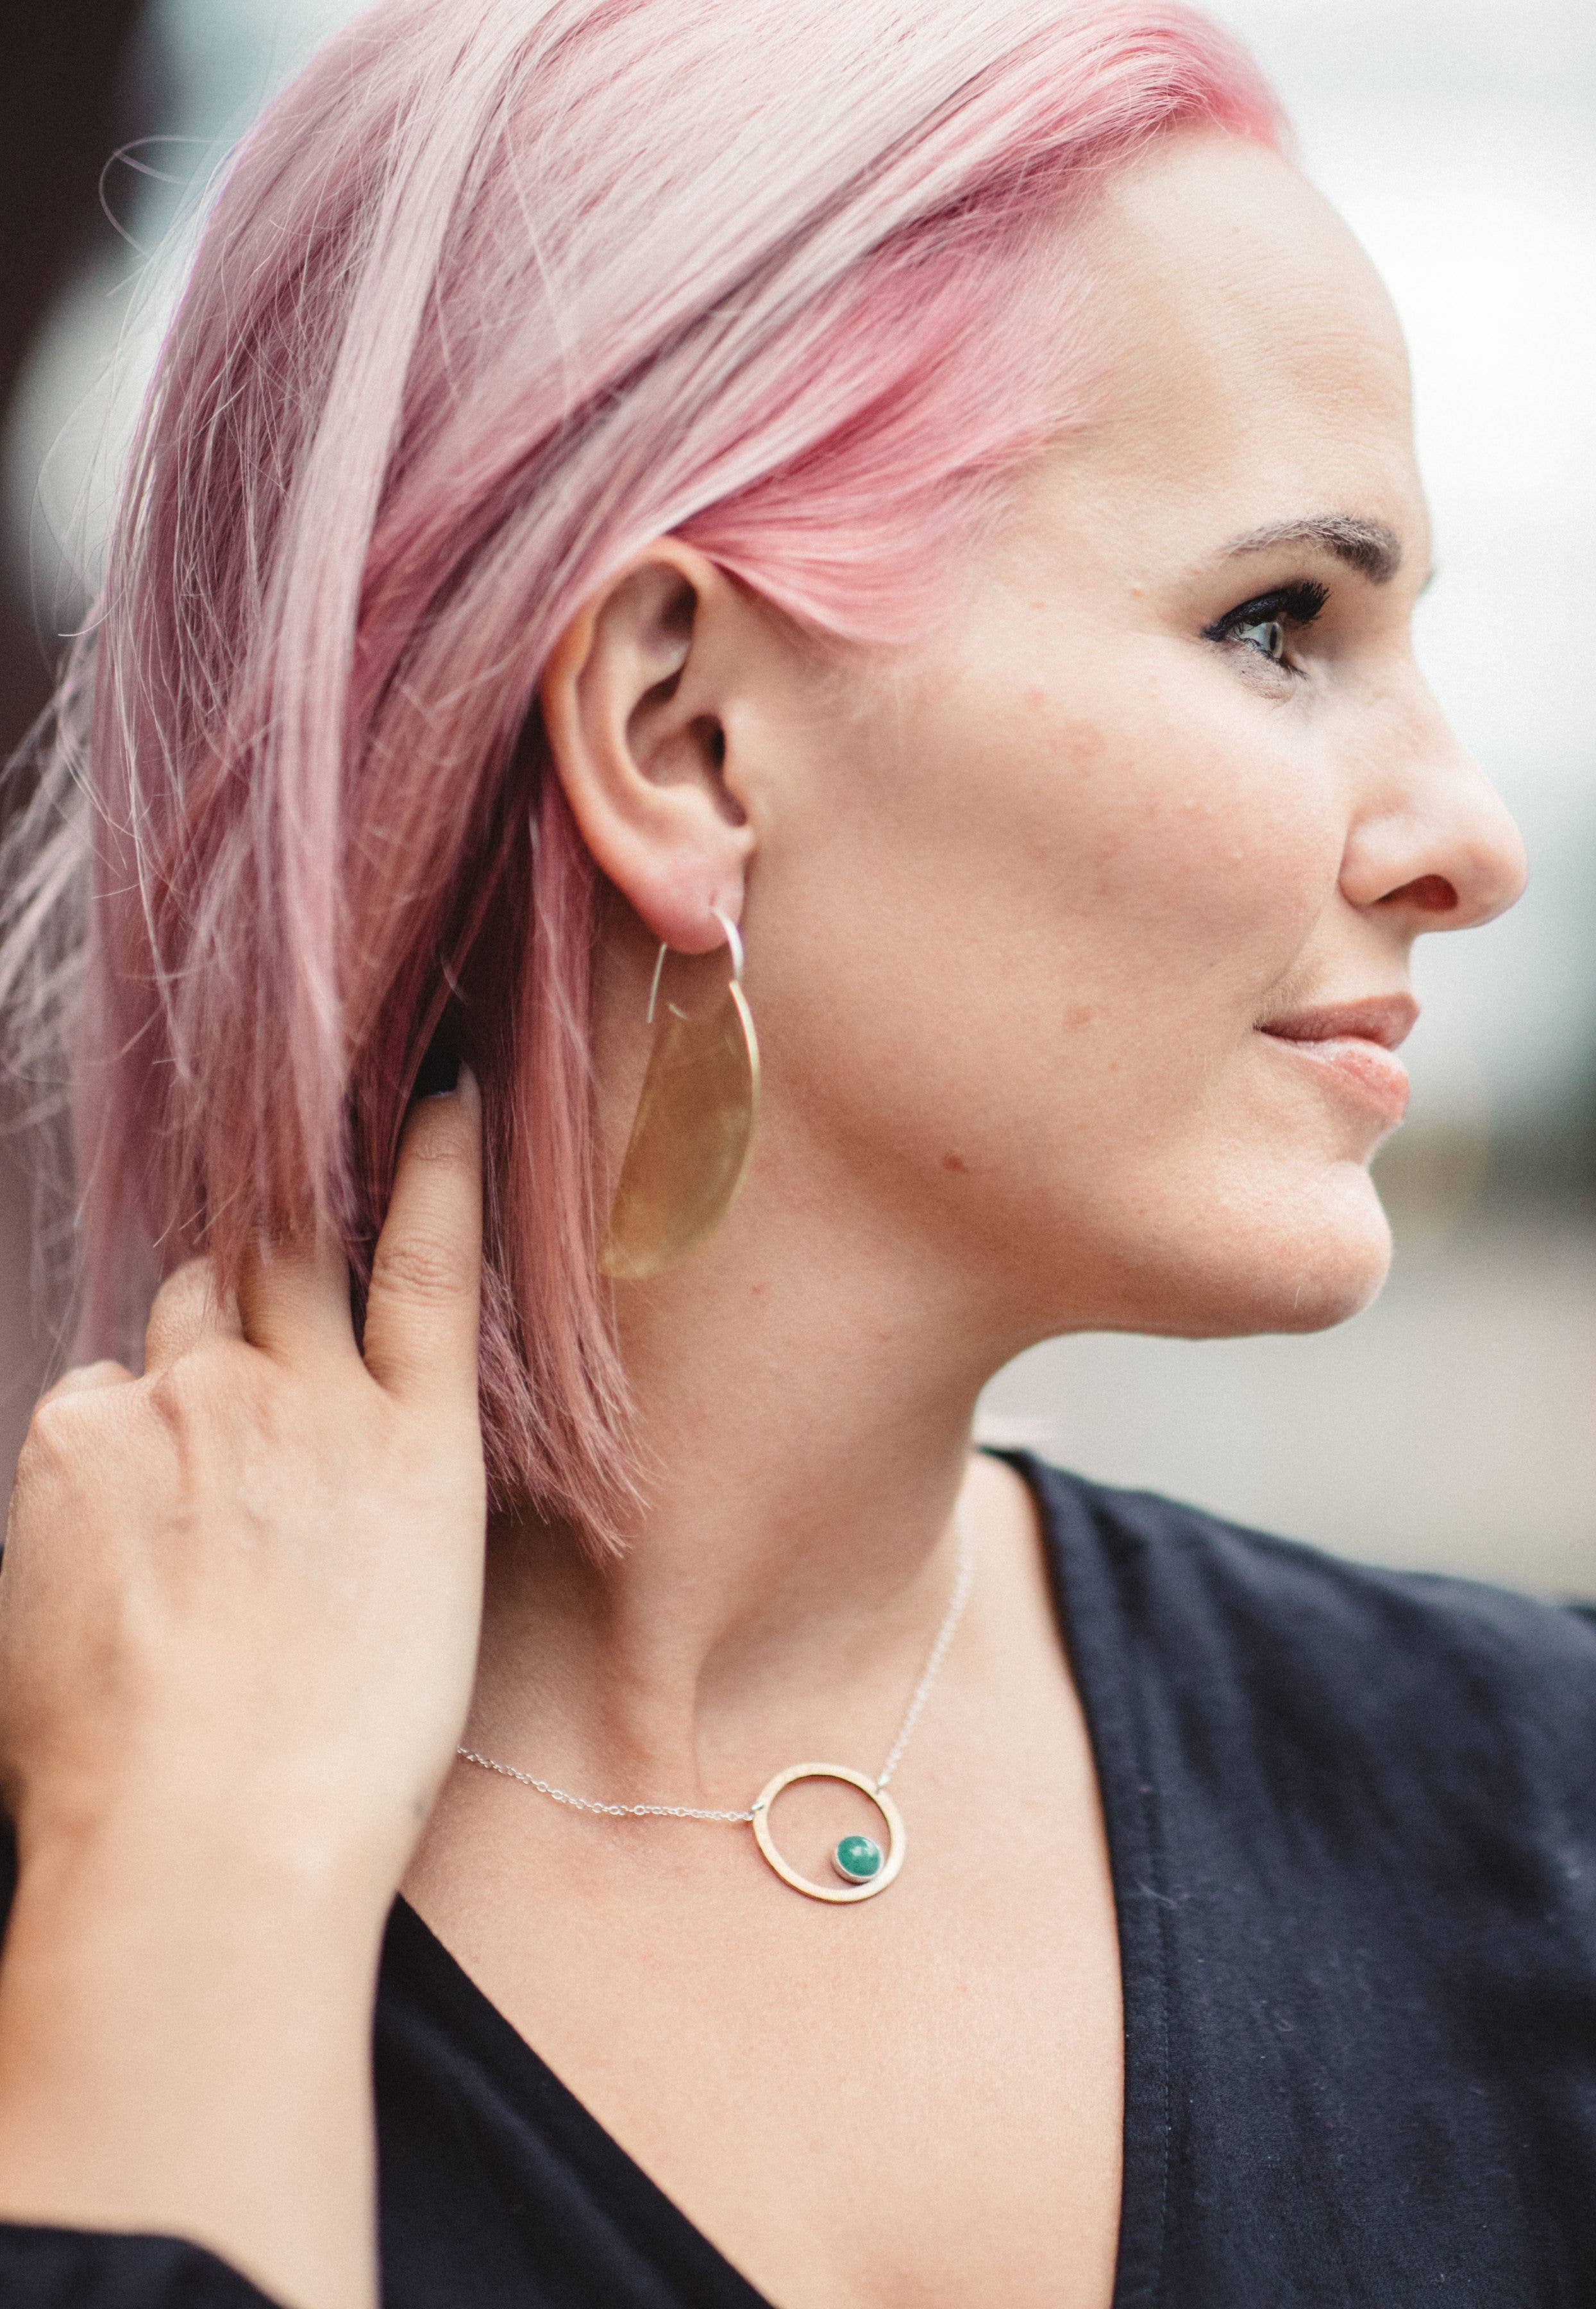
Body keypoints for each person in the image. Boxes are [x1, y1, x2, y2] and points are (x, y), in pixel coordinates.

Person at [0, 2, 1591, 2305]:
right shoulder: (94, 1874)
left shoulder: (1536, 1812)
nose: (1471, 842)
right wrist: (193, 1891)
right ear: (679, 737)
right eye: (1275, 624)